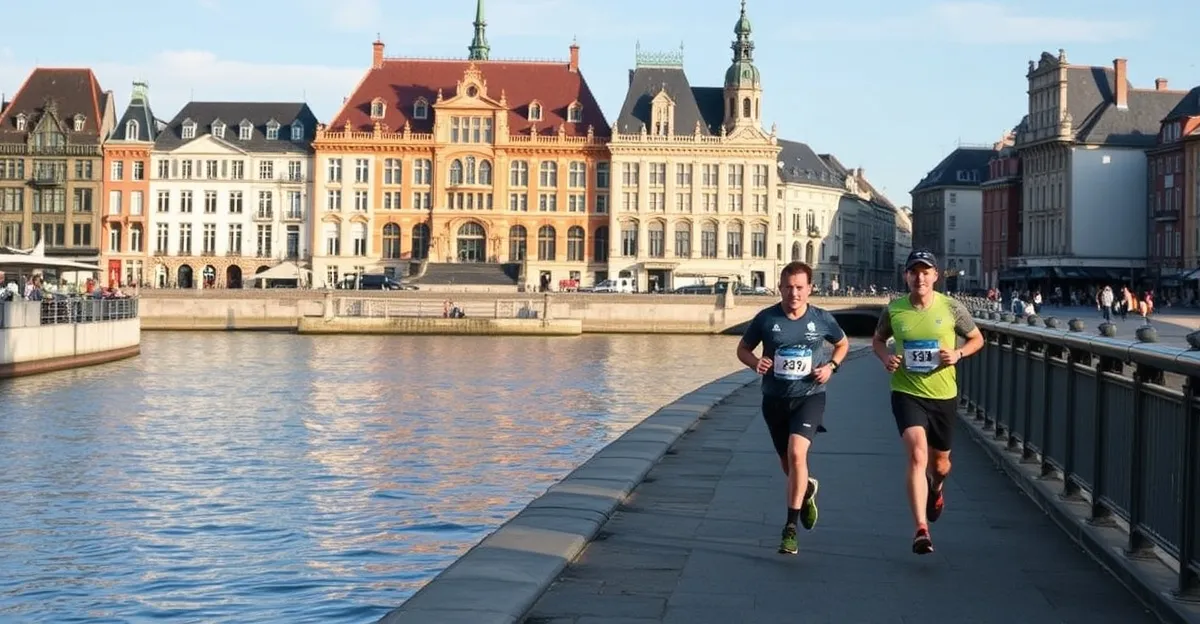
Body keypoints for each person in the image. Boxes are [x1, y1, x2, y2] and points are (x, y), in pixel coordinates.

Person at [871, 249, 984, 555]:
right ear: (906, 276)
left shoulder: (952, 308)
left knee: (941, 464)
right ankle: (921, 528)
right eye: (913, 272)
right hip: (907, 392)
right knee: (918, 455)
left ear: (936, 276)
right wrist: (886, 359)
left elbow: (977, 339)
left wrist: (959, 353)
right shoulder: (895, 310)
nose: (919, 277)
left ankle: (936, 488)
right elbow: (878, 340)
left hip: (943, 395)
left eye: (925, 272)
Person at [736, 261, 850, 555]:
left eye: (800, 287)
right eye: (788, 287)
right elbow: (743, 349)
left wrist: (832, 367)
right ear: (780, 287)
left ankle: (789, 528)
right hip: (774, 399)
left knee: (797, 454)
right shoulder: (766, 318)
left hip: (810, 396)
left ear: (810, 289)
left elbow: (842, 344)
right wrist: (755, 363)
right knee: (788, 464)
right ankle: (807, 489)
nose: (794, 293)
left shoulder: (821, 319)